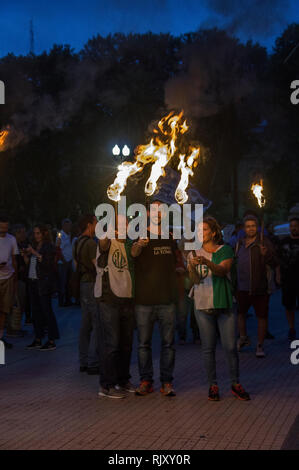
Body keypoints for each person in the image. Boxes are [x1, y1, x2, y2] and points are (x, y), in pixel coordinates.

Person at [188, 216, 250, 401]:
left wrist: (207, 263)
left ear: (214, 232)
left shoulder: (226, 250)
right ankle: (213, 385)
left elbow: (223, 271)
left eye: (205, 229)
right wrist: (191, 267)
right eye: (199, 229)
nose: (201, 232)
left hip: (224, 303)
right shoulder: (193, 252)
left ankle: (235, 383)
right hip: (202, 304)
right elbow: (194, 281)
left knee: (230, 347)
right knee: (208, 348)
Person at [133, 200, 178, 397]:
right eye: (154, 209)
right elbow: (133, 253)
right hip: (144, 300)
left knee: (168, 344)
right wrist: (139, 245)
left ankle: (167, 382)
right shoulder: (141, 234)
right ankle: (145, 381)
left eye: (161, 210)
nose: (157, 212)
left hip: (167, 299)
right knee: (144, 344)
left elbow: (177, 262)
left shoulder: (170, 236)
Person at [96, 214, 135, 399]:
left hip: (127, 296)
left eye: (126, 224)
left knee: (126, 343)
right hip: (109, 296)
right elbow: (102, 244)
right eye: (121, 224)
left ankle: (122, 379)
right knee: (112, 343)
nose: (125, 227)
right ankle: (106, 385)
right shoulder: (107, 240)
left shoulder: (128, 243)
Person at [235, 215, 279, 358]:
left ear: (257, 227)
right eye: (248, 226)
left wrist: (265, 255)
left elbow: (274, 261)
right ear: (243, 228)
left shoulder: (263, 242)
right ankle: (243, 338)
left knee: (261, 316)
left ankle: (260, 345)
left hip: (260, 287)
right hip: (242, 286)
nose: (251, 228)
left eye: (253, 226)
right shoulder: (239, 243)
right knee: (240, 314)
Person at [24, 224, 60, 350]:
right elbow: (30, 264)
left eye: (38, 233)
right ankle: (38, 338)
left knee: (47, 311)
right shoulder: (34, 245)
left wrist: (35, 253)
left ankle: (51, 340)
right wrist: (26, 256)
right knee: (36, 312)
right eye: (34, 233)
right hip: (33, 281)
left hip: (43, 283)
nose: (36, 236)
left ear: (44, 233)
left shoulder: (48, 246)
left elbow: (48, 264)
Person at [73, 214, 99, 375]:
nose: (97, 226)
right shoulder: (90, 243)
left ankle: (83, 360)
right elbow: (97, 266)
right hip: (91, 283)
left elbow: (75, 264)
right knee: (97, 323)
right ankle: (93, 361)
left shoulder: (77, 242)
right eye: (96, 223)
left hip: (82, 283)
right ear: (89, 225)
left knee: (85, 323)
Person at [278, 217, 299, 340]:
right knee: (288, 305)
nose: (294, 228)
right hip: (288, 279)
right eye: (291, 225)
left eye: (296, 225)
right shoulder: (284, 241)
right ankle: (291, 328)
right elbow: (279, 260)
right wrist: (279, 274)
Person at [0, 215, 18, 349]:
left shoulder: (11, 239)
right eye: (2, 227)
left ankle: (1, 337)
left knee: (5, 310)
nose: (4, 230)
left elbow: (14, 258)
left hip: (8, 277)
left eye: (6, 227)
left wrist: (15, 277)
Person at [56, 218, 73, 307]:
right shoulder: (60, 235)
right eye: (67, 225)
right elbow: (59, 250)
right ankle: (61, 301)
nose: (69, 227)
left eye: (70, 225)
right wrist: (64, 260)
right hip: (62, 263)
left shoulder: (70, 234)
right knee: (62, 282)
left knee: (68, 282)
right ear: (63, 226)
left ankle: (68, 299)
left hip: (69, 262)